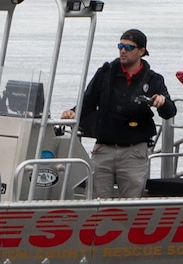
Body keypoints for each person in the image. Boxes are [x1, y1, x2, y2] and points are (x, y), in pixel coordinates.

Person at [64, 27, 176, 200]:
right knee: (96, 203)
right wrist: (72, 112)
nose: (123, 51)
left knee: (131, 204)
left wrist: (162, 102)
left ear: (141, 51)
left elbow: (170, 112)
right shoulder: (105, 73)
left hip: (134, 151)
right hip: (104, 149)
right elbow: (88, 102)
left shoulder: (154, 79)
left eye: (129, 47)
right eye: (120, 46)